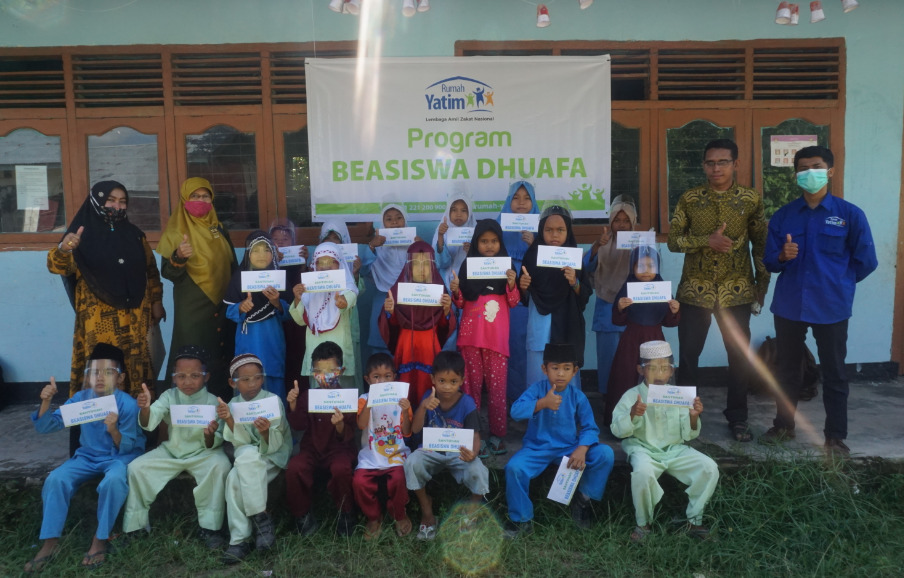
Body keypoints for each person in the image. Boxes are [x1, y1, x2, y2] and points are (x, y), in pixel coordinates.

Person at [760, 146, 877, 456]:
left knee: (836, 371)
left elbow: (867, 261)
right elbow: (768, 260)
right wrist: (782, 257)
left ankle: (835, 437)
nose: (809, 172)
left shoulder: (850, 215)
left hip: (832, 305)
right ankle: (784, 425)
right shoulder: (784, 215)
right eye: (803, 168)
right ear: (796, 175)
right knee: (787, 370)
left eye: (816, 166)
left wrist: (839, 284)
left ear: (830, 171)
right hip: (789, 304)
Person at [667, 139, 770, 442]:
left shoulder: (750, 199)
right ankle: (685, 417)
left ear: (735, 164)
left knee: (738, 356)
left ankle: (738, 418)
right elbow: (673, 240)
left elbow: (760, 245)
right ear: (703, 166)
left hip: (736, 290)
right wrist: (704, 241)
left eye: (722, 162)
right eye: (710, 163)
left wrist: (761, 286)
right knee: (688, 357)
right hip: (694, 291)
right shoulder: (690, 198)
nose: (715, 168)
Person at [25, 344, 144, 572]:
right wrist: (46, 402)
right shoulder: (81, 399)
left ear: (120, 378)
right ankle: (49, 544)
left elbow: (132, 446)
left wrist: (114, 430)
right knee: (56, 479)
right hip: (86, 457)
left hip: (118, 458)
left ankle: (100, 538)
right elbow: (47, 427)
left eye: (109, 372)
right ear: (87, 376)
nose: (100, 378)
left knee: (113, 481)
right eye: (94, 372)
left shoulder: (127, 404)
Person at [49, 181, 164, 398]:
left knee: (135, 371)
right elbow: (57, 267)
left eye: (122, 202)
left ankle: (137, 425)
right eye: (110, 200)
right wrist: (64, 249)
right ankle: (99, 427)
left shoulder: (135, 235)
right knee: (102, 372)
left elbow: (150, 271)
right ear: (96, 201)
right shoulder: (79, 237)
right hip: (98, 321)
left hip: (136, 319)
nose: (116, 206)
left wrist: (157, 301)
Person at [122, 345, 231, 549]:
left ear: (206, 377)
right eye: (181, 376)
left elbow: (214, 442)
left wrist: (209, 436)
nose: (187, 381)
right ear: (173, 377)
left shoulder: (214, 403)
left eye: (195, 375)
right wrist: (145, 409)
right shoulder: (169, 397)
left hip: (204, 454)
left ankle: (211, 528)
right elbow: (149, 421)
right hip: (171, 451)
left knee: (221, 466)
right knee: (136, 468)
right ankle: (135, 528)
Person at [610, 340, 719, 543]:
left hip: (675, 449)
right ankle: (643, 524)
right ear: (640, 370)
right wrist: (633, 413)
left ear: (671, 371)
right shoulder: (631, 395)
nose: (659, 375)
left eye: (664, 368)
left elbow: (688, 435)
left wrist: (694, 416)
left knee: (709, 467)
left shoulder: (677, 396)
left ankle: (694, 520)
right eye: (652, 368)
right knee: (642, 472)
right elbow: (617, 430)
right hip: (643, 449)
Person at [504, 343, 615, 538]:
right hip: (537, 449)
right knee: (514, 468)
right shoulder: (537, 390)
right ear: (544, 369)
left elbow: (590, 427)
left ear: (575, 371)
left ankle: (582, 500)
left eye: (566, 368)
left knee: (605, 454)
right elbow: (515, 411)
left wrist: (581, 449)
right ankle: (522, 519)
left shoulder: (577, 396)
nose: (560, 374)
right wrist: (541, 403)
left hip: (569, 448)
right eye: (555, 368)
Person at [157, 177, 237, 399]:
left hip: (222, 307)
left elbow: (232, 266)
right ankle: (182, 414)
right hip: (192, 308)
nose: (200, 200)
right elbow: (168, 272)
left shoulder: (219, 229)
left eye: (205, 196)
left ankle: (219, 411)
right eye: (195, 196)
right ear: (184, 199)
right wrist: (179, 256)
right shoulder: (175, 231)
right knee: (190, 360)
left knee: (219, 357)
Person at [450, 219, 520, 456]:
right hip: (470, 339)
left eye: (494, 241)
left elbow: (513, 301)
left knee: (498, 391)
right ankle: (474, 436)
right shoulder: (467, 267)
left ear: (500, 242)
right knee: (470, 391)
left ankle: (498, 436)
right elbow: (460, 302)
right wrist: (457, 290)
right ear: (476, 243)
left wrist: (511, 283)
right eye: (484, 241)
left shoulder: (507, 267)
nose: (489, 246)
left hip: (496, 342)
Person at [404, 351, 489, 541]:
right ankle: (427, 512)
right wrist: (424, 406)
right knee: (412, 463)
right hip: (431, 451)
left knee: (479, 471)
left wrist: (473, 454)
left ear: (462, 380)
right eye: (441, 381)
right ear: (432, 379)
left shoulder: (467, 403)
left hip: (458, 453)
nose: (447, 387)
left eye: (453, 381)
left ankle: (471, 512)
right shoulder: (429, 397)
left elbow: (475, 435)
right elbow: (415, 429)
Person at [218, 354, 291, 564]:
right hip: (246, 456)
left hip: (271, 456)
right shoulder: (232, 404)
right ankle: (261, 519)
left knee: (234, 479)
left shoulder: (272, 401)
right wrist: (229, 418)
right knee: (247, 455)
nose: (252, 384)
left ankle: (239, 540)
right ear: (233, 382)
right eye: (245, 379)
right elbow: (238, 443)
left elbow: (276, 443)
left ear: (263, 378)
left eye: (257, 378)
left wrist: (266, 432)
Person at [285, 342, 358, 538]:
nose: (324, 376)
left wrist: (340, 425)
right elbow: (299, 425)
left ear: (341, 370)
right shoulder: (309, 396)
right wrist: (292, 404)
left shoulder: (347, 397)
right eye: (319, 371)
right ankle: (302, 516)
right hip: (312, 449)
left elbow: (351, 432)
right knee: (295, 467)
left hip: (339, 450)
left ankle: (346, 514)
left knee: (341, 468)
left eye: (330, 371)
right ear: (312, 372)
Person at [518, 202, 592, 390]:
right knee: (538, 364)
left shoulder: (574, 258)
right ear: (541, 230)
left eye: (560, 229)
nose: (555, 234)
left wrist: (574, 282)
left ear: (568, 232)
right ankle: (538, 410)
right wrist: (523, 286)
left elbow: (584, 295)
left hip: (566, 322)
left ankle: (565, 413)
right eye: (549, 229)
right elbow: (522, 295)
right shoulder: (532, 256)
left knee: (565, 364)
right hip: (540, 320)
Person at [604, 245, 680, 425]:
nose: (646, 271)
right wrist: (621, 308)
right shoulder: (627, 289)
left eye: (651, 266)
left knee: (655, 378)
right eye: (640, 266)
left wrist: (675, 311)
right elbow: (617, 320)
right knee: (626, 378)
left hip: (656, 341)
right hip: (631, 343)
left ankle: (654, 423)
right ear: (632, 267)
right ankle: (623, 421)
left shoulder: (662, 289)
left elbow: (670, 322)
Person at [379, 241, 455, 406]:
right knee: (406, 386)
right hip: (406, 346)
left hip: (429, 346)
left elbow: (443, 327)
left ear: (433, 266)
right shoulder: (398, 291)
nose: (422, 269)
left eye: (426, 264)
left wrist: (447, 310)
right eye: (416, 264)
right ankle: (407, 422)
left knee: (428, 383)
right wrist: (390, 312)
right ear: (408, 267)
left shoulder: (439, 291)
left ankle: (427, 420)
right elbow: (393, 325)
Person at [353, 353, 413, 540]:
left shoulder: (401, 400)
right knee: (360, 482)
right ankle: (373, 517)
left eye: (387, 376)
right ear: (367, 380)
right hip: (370, 456)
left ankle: (399, 515)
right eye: (376, 377)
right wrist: (370, 404)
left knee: (398, 479)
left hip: (395, 453)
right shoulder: (363, 399)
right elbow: (361, 425)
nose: (382, 381)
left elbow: (407, 432)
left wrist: (405, 409)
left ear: (394, 378)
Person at [224, 231, 290, 400]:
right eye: (256, 250)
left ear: (273, 253)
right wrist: (241, 307)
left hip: (272, 339)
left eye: (266, 250)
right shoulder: (238, 278)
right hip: (248, 339)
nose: (261, 255)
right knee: (247, 378)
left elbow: (291, 312)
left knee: (273, 377)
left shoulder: (279, 277)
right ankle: (246, 424)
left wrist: (276, 302)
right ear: (248, 253)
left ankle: (277, 423)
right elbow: (229, 311)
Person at [584, 194, 637, 394]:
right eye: (617, 220)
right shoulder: (603, 243)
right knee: (607, 358)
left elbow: (651, 270)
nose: (621, 225)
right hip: (606, 308)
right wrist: (598, 245)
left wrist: (646, 246)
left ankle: (629, 400)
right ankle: (607, 397)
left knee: (630, 359)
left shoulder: (639, 242)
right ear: (610, 222)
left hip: (633, 309)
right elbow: (585, 266)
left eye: (626, 221)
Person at [289, 242, 359, 390]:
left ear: (339, 263)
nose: (325, 266)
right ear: (314, 264)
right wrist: (297, 297)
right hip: (316, 350)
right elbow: (300, 320)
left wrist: (342, 302)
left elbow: (350, 297)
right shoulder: (308, 288)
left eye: (330, 262)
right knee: (318, 391)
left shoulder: (347, 286)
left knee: (343, 390)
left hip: (339, 350)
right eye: (321, 262)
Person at [497, 181, 539, 400]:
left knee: (529, 349)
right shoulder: (498, 225)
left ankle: (531, 400)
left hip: (533, 300)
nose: (521, 203)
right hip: (504, 299)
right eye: (516, 197)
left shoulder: (543, 227)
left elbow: (551, 262)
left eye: (526, 198)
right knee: (509, 346)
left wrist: (534, 245)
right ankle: (510, 400)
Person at [362, 202, 417, 358]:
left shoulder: (413, 244)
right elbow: (364, 270)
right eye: (389, 219)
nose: (394, 222)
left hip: (408, 300)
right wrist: (372, 246)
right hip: (383, 298)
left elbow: (425, 272)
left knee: (405, 347)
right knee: (381, 349)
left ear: (405, 221)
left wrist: (419, 247)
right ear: (383, 223)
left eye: (399, 218)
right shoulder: (377, 245)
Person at [319, 220, 366, 382]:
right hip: (322, 332)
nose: (332, 243)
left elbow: (357, 292)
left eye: (336, 239)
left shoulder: (349, 264)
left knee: (347, 366)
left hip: (347, 325)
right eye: (328, 238)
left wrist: (355, 273)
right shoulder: (319, 263)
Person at [432, 190, 476, 351]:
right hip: (445, 287)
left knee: (467, 331)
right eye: (454, 209)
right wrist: (441, 238)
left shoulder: (476, 231)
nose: (459, 214)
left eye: (464, 210)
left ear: (470, 212)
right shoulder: (441, 230)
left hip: (467, 290)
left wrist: (472, 252)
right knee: (448, 331)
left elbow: (481, 267)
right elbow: (439, 263)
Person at [269, 218, 309, 392]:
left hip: (297, 322)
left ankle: (299, 400)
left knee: (297, 357)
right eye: (275, 240)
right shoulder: (265, 263)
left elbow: (306, 287)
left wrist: (304, 263)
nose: (280, 244)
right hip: (276, 319)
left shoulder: (299, 261)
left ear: (293, 242)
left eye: (285, 240)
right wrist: (273, 263)